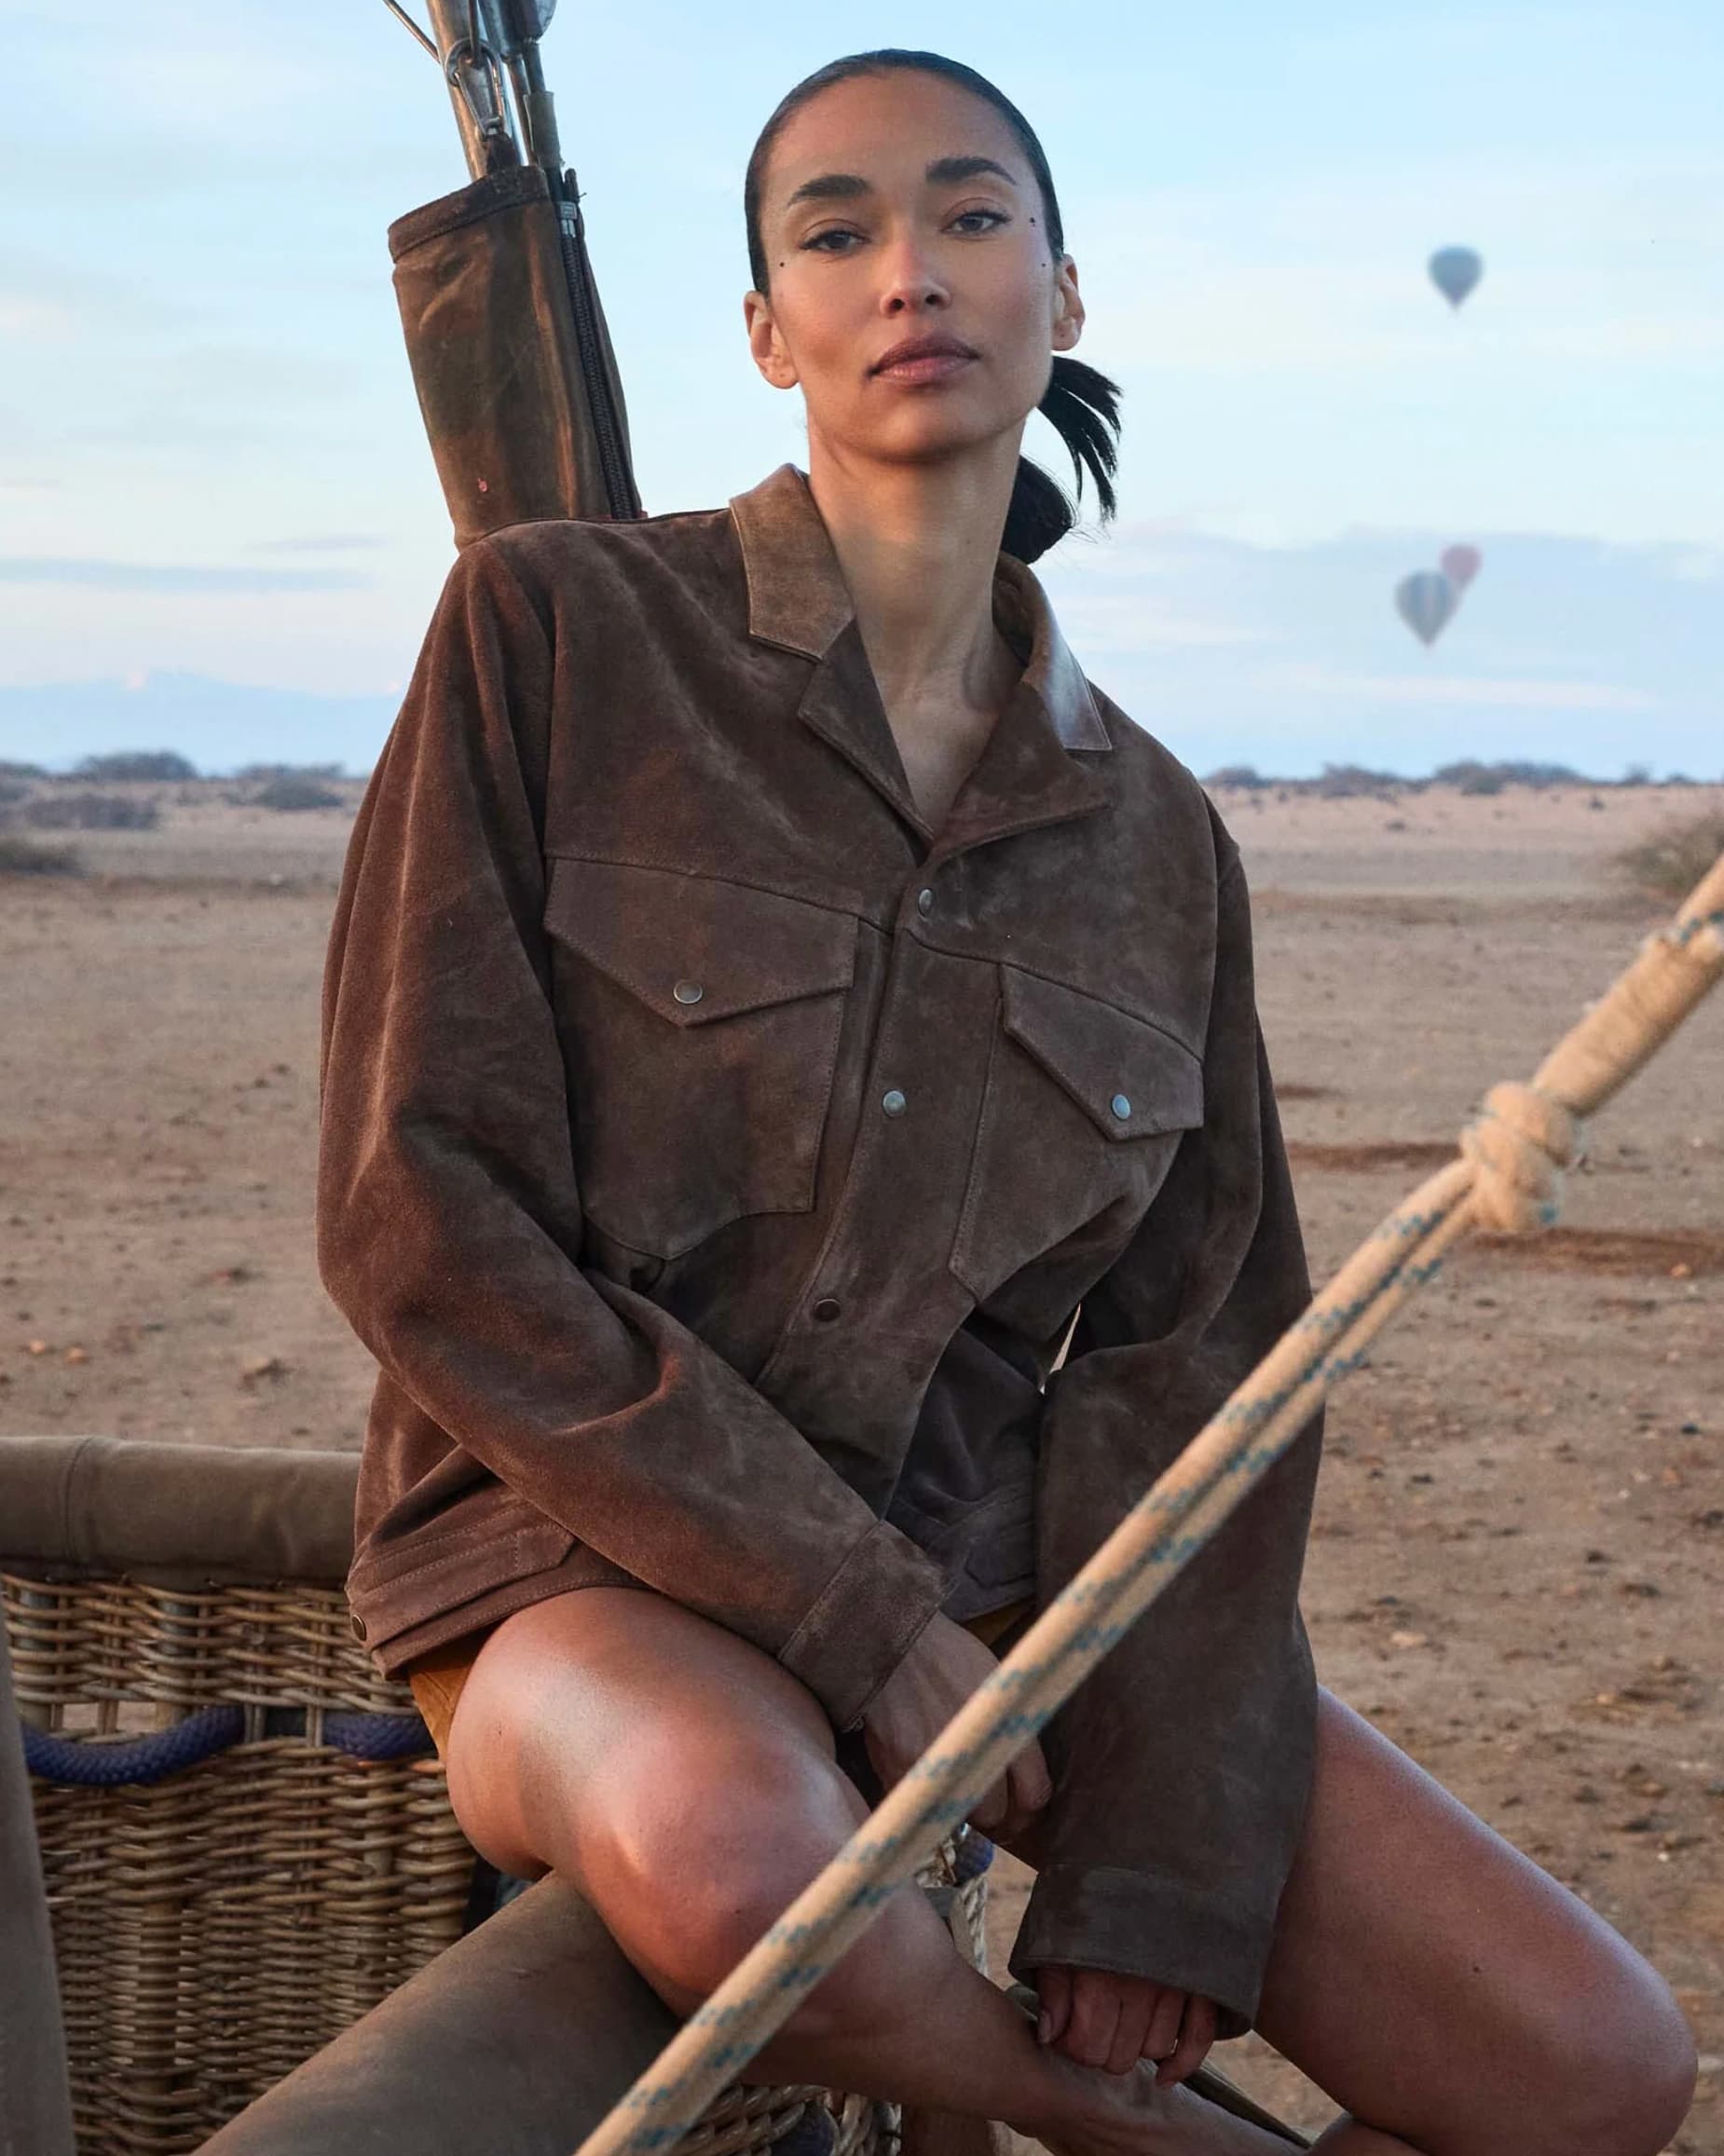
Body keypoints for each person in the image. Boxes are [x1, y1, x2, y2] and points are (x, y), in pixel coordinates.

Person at [316, 47, 1696, 2156]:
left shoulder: (1156, 837)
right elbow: (423, 1213)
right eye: (835, 231)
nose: (909, 273)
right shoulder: (555, 630)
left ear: (1065, 291)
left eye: (970, 217)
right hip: (562, 1561)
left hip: (1004, 1581)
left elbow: (1204, 1373)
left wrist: (1153, 1846)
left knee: (1592, 2067)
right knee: (741, 1866)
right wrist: (850, 1618)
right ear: (765, 329)